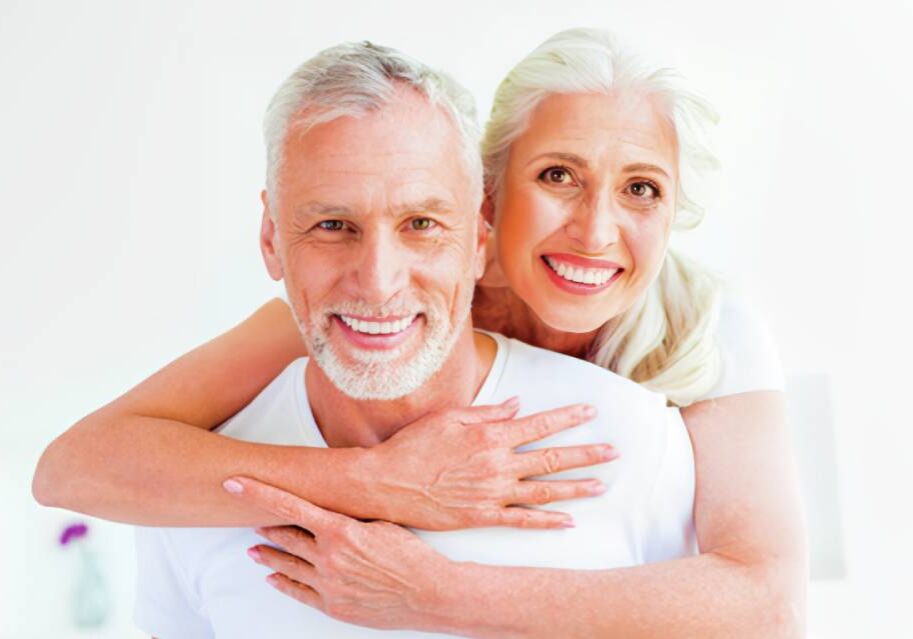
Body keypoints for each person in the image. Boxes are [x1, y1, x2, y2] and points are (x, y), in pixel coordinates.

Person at [33, 29, 806, 637]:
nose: (594, 231)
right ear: (490, 202)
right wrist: (379, 481)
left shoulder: (696, 354)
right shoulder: (353, 311)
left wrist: (435, 594)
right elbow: (78, 465)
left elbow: (766, 604)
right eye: (557, 175)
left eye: (641, 188)